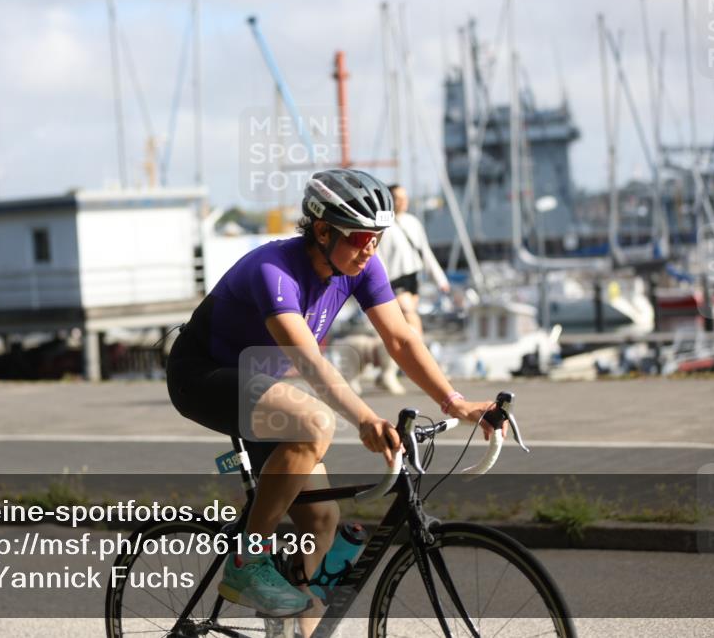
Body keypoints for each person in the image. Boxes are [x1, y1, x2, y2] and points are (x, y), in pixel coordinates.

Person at [166, 169, 500, 625]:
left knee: (323, 521)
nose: (370, 249)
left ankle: (293, 630)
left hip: (260, 383)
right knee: (315, 423)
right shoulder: (273, 270)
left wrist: (454, 401)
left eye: (377, 239)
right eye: (360, 237)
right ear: (323, 230)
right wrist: (366, 419)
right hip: (201, 376)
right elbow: (310, 362)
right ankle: (246, 561)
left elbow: (400, 339)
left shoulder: (360, 266)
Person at [377, 183, 451, 336]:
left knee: (407, 318)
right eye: (398, 198)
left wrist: (440, 280)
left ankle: (413, 345)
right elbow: (378, 256)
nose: (403, 201)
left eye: (405, 198)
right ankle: (420, 345)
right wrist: (382, 283)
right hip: (394, 279)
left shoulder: (413, 222)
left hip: (413, 277)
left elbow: (425, 252)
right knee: (409, 313)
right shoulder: (382, 226)